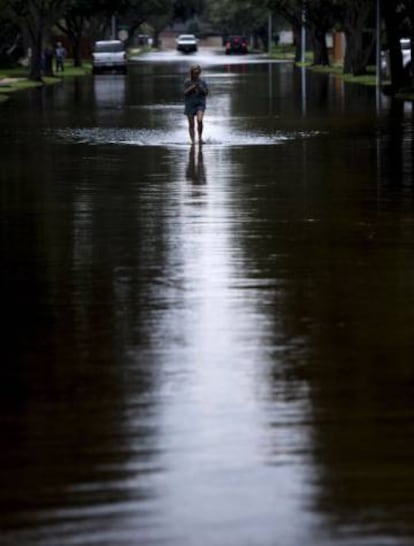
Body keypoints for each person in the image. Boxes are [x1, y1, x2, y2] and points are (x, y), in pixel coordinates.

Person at [184, 64, 209, 144]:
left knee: (199, 120)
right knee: (191, 124)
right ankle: (193, 141)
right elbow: (184, 93)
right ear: (191, 73)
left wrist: (200, 88)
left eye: (198, 73)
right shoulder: (187, 82)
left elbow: (206, 93)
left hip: (200, 104)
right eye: (195, 73)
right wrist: (192, 87)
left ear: (199, 72)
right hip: (190, 104)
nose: (196, 74)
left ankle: (200, 138)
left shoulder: (203, 82)